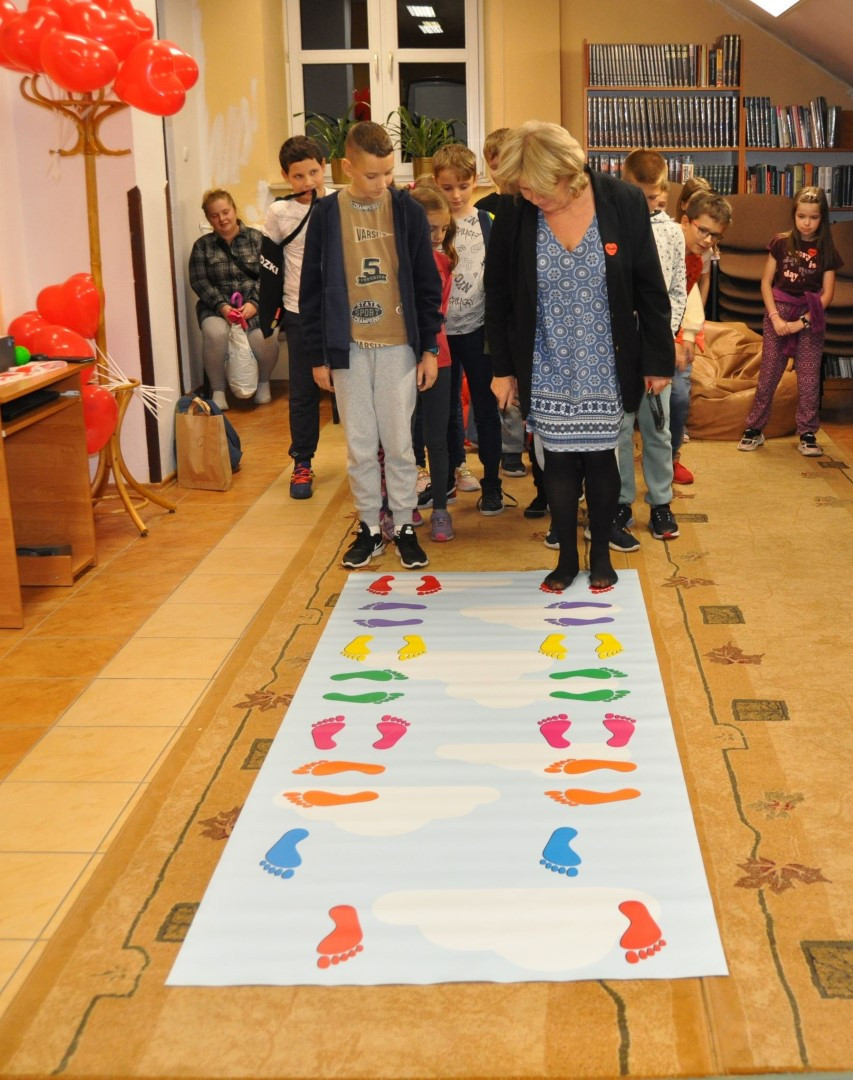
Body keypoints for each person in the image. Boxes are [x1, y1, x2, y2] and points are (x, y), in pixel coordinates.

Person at [484, 121, 674, 594]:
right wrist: (502, 369)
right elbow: (499, 294)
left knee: (602, 457)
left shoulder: (623, 201)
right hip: (545, 355)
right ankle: (567, 558)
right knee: (558, 461)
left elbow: (650, 286)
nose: (529, 197)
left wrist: (657, 361)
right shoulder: (517, 209)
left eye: (537, 189)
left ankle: (601, 554)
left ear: (568, 175)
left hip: (606, 356)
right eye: (523, 188)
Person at [300, 121, 443, 570]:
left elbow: (427, 284)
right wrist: (318, 355)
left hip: (399, 345)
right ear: (346, 167)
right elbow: (311, 290)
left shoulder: (407, 211)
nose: (382, 183)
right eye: (371, 175)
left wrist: (429, 349)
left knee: (399, 443)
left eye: (388, 173)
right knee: (361, 444)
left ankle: (403, 524)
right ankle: (368, 526)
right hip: (348, 349)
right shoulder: (326, 214)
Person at [603, 148, 687, 550]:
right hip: (618, 345)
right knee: (619, 427)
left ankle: (661, 503)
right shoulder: (608, 226)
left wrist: (663, 339)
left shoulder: (673, 233)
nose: (647, 203)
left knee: (657, 427)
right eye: (639, 195)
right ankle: (621, 502)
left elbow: (677, 290)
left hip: (656, 344)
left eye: (654, 197)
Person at [738, 185, 842, 457]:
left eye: (813, 217)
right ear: (793, 215)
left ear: (822, 218)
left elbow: (827, 295)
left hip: (810, 315)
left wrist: (802, 323)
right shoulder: (780, 242)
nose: (806, 223)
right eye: (801, 216)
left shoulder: (826, 249)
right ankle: (755, 427)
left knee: (808, 378)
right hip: (779, 311)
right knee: (768, 374)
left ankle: (807, 432)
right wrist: (774, 317)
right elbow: (766, 282)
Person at [433, 144, 509, 515]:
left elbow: (496, 277)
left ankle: (492, 484)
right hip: (442, 335)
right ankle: (449, 475)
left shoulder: (486, 222)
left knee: (485, 409)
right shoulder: (432, 224)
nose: (456, 195)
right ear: (435, 183)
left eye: (463, 186)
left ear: (475, 181)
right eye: (447, 188)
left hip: (479, 331)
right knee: (446, 409)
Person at [261, 136, 327, 499]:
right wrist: (269, 315)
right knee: (303, 391)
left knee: (352, 389)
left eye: (313, 172)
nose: (308, 182)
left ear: (324, 167)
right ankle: (302, 462)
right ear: (286, 176)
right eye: (298, 176)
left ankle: (367, 461)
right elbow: (270, 266)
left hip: (339, 312)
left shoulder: (338, 203)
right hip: (299, 312)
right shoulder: (278, 212)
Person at [189, 189, 278, 412]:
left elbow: (270, 276)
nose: (222, 219)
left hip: (255, 306)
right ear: (208, 218)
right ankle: (218, 390)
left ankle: (263, 383)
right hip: (216, 308)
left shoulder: (258, 239)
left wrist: (255, 303)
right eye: (214, 215)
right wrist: (222, 307)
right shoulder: (202, 246)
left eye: (225, 212)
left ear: (234, 210)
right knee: (215, 334)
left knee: (265, 336)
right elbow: (199, 281)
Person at [476, 127, 527, 482]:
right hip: (496, 309)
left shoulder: (532, 202)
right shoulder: (484, 209)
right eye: (493, 166)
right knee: (503, 378)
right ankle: (510, 450)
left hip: (524, 307)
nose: (499, 172)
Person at [408, 179, 457, 542]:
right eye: (430, 229)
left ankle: (440, 508)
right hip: (399, 357)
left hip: (438, 357)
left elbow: (438, 312)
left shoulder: (444, 262)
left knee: (436, 438)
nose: (438, 236)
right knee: (403, 438)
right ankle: (404, 505)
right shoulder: (397, 261)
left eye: (443, 229)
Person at [674, 189, 733, 484]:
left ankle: (671, 458)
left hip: (679, 332)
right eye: (704, 231)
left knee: (679, 397)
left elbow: (687, 297)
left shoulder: (696, 260)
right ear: (686, 220)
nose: (709, 240)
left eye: (716, 236)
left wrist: (688, 334)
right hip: (649, 331)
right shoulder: (664, 245)